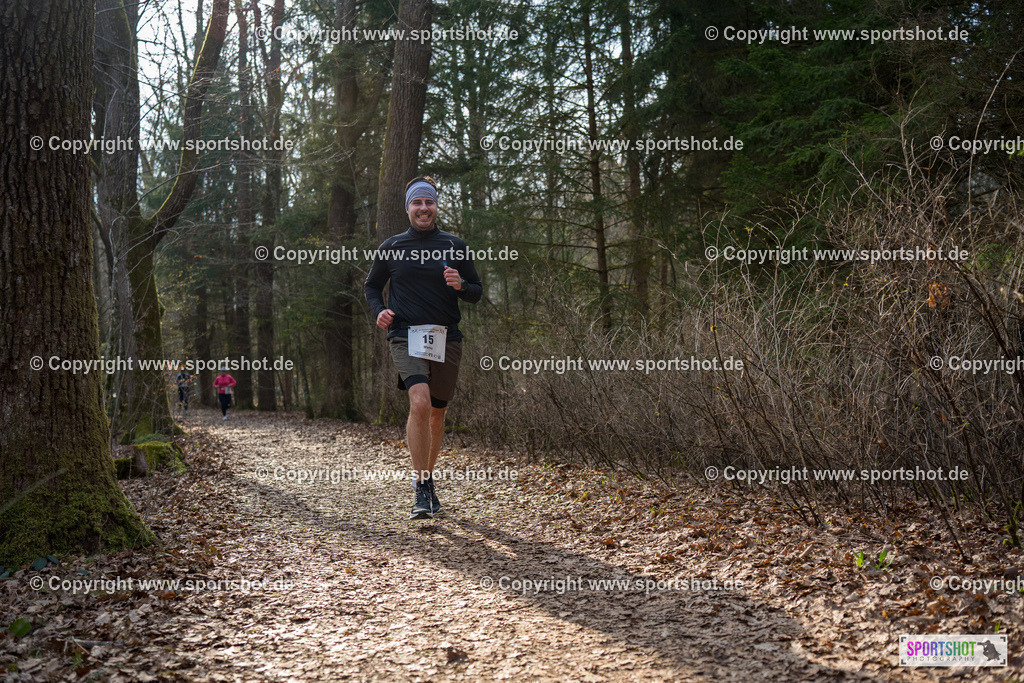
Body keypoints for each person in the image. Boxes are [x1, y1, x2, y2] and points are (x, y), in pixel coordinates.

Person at [364, 176, 482, 519]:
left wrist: (461, 285)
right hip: (405, 334)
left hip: (447, 336)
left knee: (437, 412)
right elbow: (372, 287)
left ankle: (428, 479)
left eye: (428, 202)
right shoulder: (392, 246)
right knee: (420, 401)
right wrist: (379, 311)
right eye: (417, 203)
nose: (423, 208)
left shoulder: (455, 246)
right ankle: (421, 486)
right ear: (408, 208)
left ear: (435, 207)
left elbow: (476, 291)